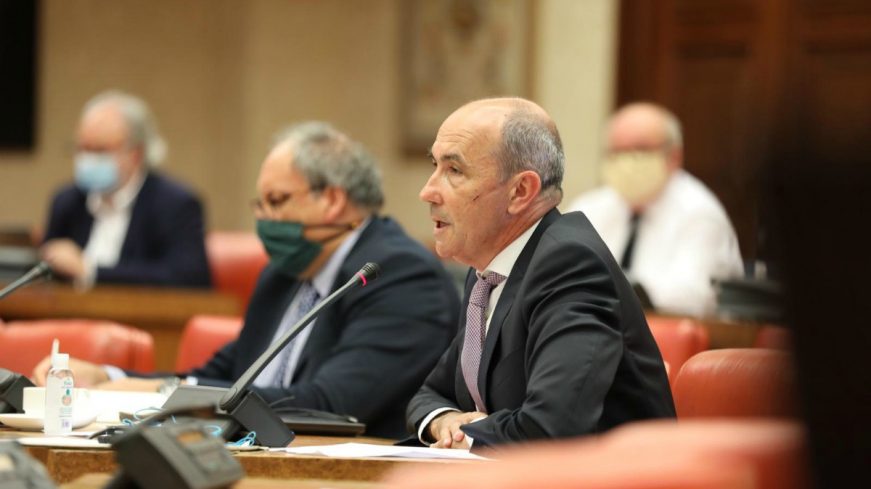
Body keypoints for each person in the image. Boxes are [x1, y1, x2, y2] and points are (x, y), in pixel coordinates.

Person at [35, 122, 460, 439]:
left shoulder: (399, 275)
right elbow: (223, 373)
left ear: (331, 200)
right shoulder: (285, 273)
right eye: (260, 205)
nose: (264, 221)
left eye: (277, 202)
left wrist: (161, 394)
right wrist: (112, 379)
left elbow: (329, 405)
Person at [407, 97, 674, 450]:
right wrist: (446, 421)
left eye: (454, 170)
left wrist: (470, 435)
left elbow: (552, 428)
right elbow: (430, 395)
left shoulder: (570, 266)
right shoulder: (489, 272)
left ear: (520, 191)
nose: (428, 191)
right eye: (434, 165)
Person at [567, 102, 743, 317]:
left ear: (674, 156)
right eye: (617, 152)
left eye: (640, 150)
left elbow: (695, 299)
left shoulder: (700, 213)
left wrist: (613, 289)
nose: (627, 163)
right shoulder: (590, 207)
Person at [41, 90, 211, 288]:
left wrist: (90, 270)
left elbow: (187, 278)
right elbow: (44, 273)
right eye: (82, 149)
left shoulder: (176, 204)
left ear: (136, 154)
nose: (87, 160)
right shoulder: (67, 201)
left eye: (100, 150)